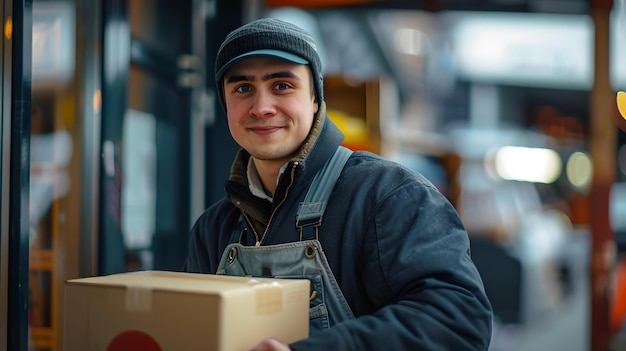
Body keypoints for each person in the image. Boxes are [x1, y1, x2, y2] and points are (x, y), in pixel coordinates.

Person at [184, 17, 493, 351]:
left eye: (282, 86)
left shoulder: (389, 195)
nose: (261, 107)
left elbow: (456, 322)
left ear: (316, 99)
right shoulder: (213, 229)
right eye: (242, 88)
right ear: (225, 104)